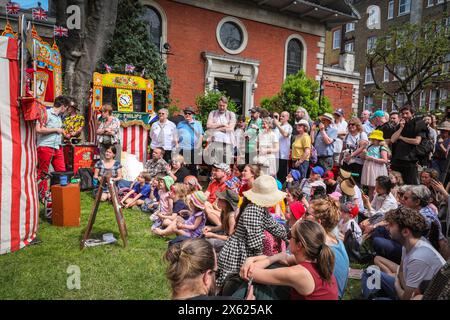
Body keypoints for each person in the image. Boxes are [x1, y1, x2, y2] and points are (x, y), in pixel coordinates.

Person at [217, 175, 288, 287]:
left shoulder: (260, 209)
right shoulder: (253, 211)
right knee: (233, 285)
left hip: (246, 251)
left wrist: (289, 236)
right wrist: (260, 263)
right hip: (239, 254)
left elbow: (274, 227)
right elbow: (255, 244)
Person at [239, 219, 338, 300]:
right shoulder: (315, 259)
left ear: (299, 246)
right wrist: (252, 259)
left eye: (290, 235)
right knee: (274, 266)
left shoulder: (300, 273)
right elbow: (284, 257)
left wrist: (249, 261)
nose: (287, 238)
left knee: (256, 288)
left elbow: (249, 274)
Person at [361, 207, 446, 300]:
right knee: (370, 271)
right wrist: (399, 280)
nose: (387, 227)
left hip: (412, 295)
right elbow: (401, 271)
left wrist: (397, 284)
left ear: (405, 232)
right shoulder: (409, 243)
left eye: (391, 225)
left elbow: (406, 297)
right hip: (406, 287)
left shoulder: (419, 258)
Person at [305, 197, 350, 299]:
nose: (303, 217)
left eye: (307, 214)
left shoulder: (318, 246)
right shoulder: (335, 240)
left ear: (319, 222)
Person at [36, 95, 68, 199]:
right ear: (62, 106)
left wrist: (63, 132)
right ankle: (42, 194)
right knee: (44, 172)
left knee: (61, 170)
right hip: (45, 146)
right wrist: (55, 129)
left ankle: (59, 193)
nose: (66, 110)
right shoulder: (46, 113)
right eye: (66, 108)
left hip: (57, 147)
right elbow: (39, 129)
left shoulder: (59, 118)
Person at [390, 106, 428, 185]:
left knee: (410, 185)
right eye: (403, 113)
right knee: (396, 184)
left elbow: (417, 141)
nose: (404, 115)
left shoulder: (419, 124)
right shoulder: (400, 125)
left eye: (407, 113)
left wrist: (402, 138)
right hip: (397, 159)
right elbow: (393, 139)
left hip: (410, 160)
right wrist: (401, 128)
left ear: (412, 113)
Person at [206, 96, 236, 165]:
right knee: (214, 165)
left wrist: (214, 129)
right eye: (220, 105)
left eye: (223, 106)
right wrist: (222, 124)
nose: (222, 107)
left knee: (226, 165)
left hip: (227, 143)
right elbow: (208, 126)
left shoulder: (231, 114)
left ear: (227, 105)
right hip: (214, 143)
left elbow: (230, 129)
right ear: (217, 104)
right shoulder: (213, 113)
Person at [361, 130, 389, 199]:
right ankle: (370, 203)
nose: (372, 140)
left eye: (374, 138)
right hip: (369, 167)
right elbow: (364, 157)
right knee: (371, 187)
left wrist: (372, 158)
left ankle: (376, 203)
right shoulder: (370, 146)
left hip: (377, 168)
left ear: (378, 139)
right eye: (371, 138)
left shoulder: (382, 147)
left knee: (377, 187)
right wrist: (364, 153)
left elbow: (385, 160)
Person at [177, 106, 204, 177]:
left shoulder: (198, 124)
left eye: (189, 113)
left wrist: (198, 147)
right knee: (181, 166)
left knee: (193, 167)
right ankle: (182, 183)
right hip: (182, 148)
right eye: (186, 113)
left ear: (193, 114)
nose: (187, 115)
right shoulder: (180, 124)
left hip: (193, 149)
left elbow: (201, 136)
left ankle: (193, 183)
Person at [340, 117, 368, 184]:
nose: (350, 126)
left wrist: (351, 155)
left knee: (355, 182)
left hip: (357, 163)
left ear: (357, 125)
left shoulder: (362, 135)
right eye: (349, 125)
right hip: (346, 162)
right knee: (345, 181)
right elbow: (343, 148)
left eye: (352, 124)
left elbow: (362, 148)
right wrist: (340, 159)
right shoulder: (347, 136)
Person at [273, 111, 292, 182]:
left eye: (283, 116)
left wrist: (278, 125)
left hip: (283, 155)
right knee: (275, 174)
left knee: (282, 175)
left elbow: (285, 134)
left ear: (288, 118)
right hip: (275, 155)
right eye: (280, 116)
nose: (281, 117)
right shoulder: (277, 127)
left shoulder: (289, 126)